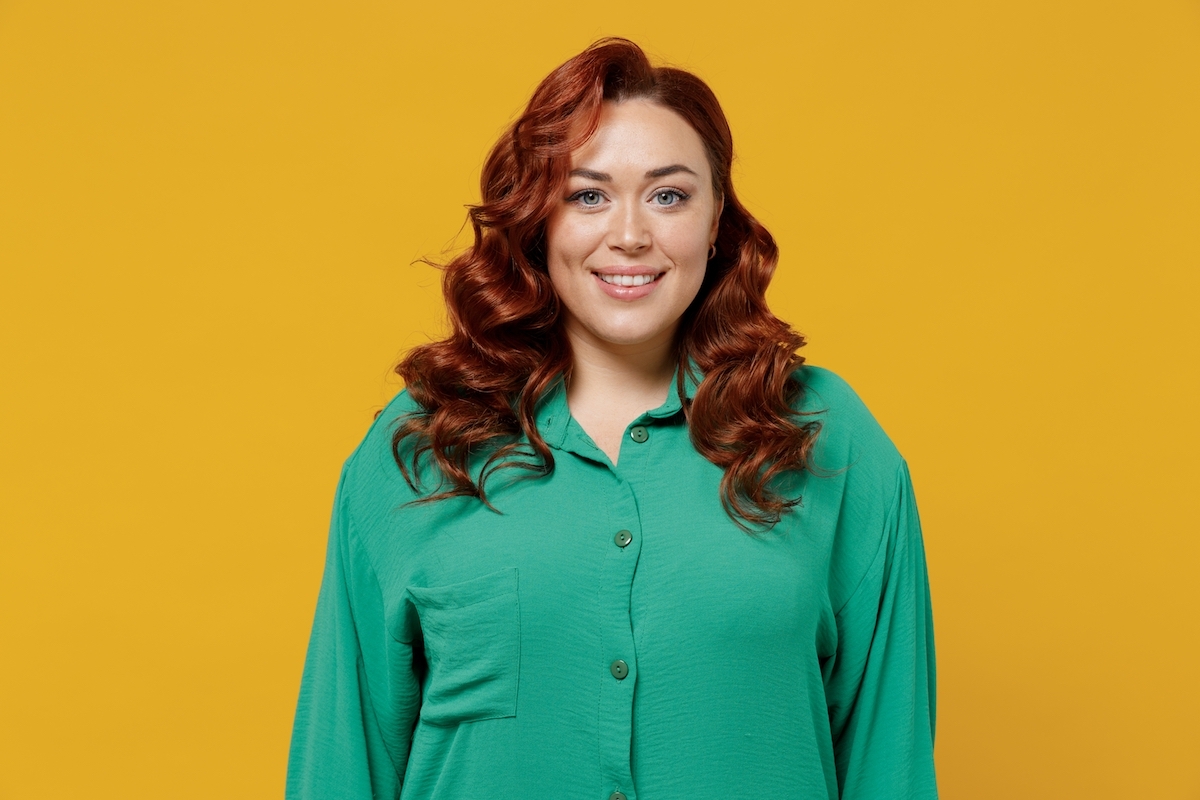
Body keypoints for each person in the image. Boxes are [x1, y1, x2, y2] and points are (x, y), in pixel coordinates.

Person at [286, 37, 937, 800]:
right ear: (538, 221)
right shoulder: (421, 445)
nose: (630, 234)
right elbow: (342, 762)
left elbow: (888, 764)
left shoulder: (828, 438)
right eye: (588, 195)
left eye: (668, 196)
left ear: (717, 218)